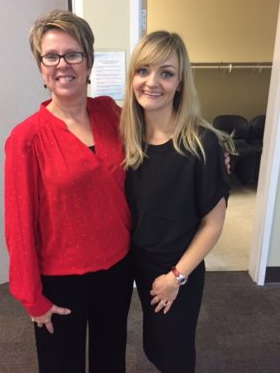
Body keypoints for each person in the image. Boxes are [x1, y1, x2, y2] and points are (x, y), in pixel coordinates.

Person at [4, 9, 133, 373]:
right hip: (60, 279)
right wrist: (32, 298)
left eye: (73, 54)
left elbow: (161, 136)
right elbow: (19, 224)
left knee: (111, 361)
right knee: (62, 365)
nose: (63, 64)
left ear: (88, 62)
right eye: (51, 56)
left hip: (117, 268)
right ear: (41, 67)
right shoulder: (26, 137)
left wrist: (210, 149)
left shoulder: (110, 112)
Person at [120, 31, 235, 373]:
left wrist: (176, 277)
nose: (151, 82)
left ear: (180, 82)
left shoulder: (201, 144)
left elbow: (213, 224)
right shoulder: (126, 136)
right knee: (154, 345)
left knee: (175, 353)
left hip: (178, 268)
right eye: (143, 71)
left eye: (166, 73)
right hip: (138, 263)